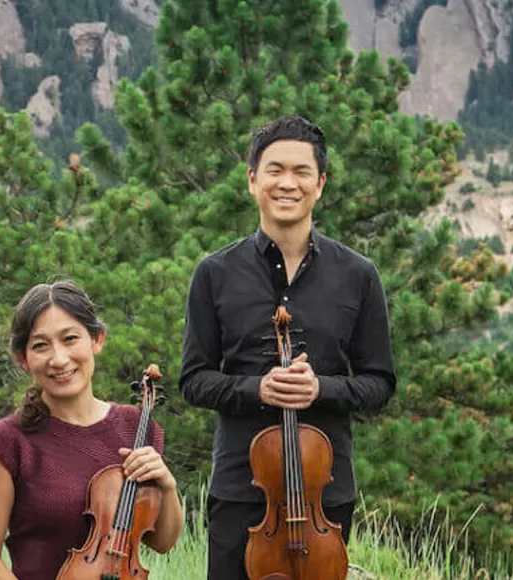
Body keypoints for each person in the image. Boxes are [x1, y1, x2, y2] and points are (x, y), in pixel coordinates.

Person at [179, 115, 397, 579]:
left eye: (301, 172)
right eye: (274, 170)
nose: (287, 183)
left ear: (320, 184)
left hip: (325, 496)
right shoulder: (214, 274)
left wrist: (322, 391)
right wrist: (257, 389)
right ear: (253, 180)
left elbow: (379, 383)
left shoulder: (358, 276)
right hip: (241, 490)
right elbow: (194, 380)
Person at [0, 281, 185, 580]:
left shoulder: (137, 427)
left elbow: (162, 542)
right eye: (40, 345)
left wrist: (167, 485)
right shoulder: (5, 443)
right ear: (23, 359)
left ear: (97, 340)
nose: (59, 359)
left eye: (70, 339)